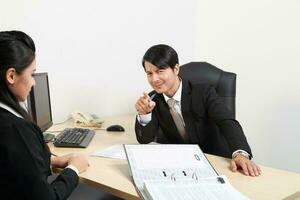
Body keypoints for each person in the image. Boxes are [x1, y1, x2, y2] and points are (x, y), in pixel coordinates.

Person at [135, 44, 261, 177]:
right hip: (183, 167)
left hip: (216, 162)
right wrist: (144, 115)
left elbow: (227, 121)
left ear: (176, 69)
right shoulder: (153, 100)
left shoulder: (203, 92)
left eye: (160, 71)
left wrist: (240, 154)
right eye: (149, 73)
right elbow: (144, 140)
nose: (154, 79)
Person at [0, 30, 89, 199]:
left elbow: (9, 168)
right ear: (11, 76)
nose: (33, 82)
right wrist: (74, 169)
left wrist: (49, 161)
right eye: (32, 74)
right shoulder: (16, 130)